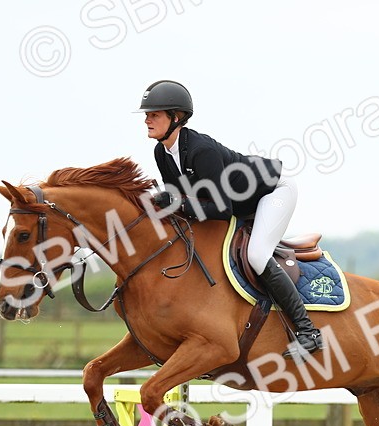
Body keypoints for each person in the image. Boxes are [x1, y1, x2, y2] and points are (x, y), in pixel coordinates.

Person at [138, 79, 324, 357]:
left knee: (258, 256)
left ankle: (308, 331)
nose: (147, 121)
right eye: (146, 115)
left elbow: (220, 209)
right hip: (241, 201)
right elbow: (182, 201)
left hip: (273, 192)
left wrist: (179, 202)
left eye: (154, 115)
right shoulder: (162, 152)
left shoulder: (202, 151)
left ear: (176, 117)